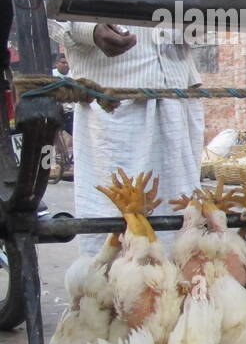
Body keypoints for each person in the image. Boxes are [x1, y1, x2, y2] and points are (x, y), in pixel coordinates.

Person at [48, 20, 204, 251]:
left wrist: (196, 19)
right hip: (113, 102)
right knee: (116, 215)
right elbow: (49, 7)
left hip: (177, 93)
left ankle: (182, 281)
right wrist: (89, 31)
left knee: (185, 214)